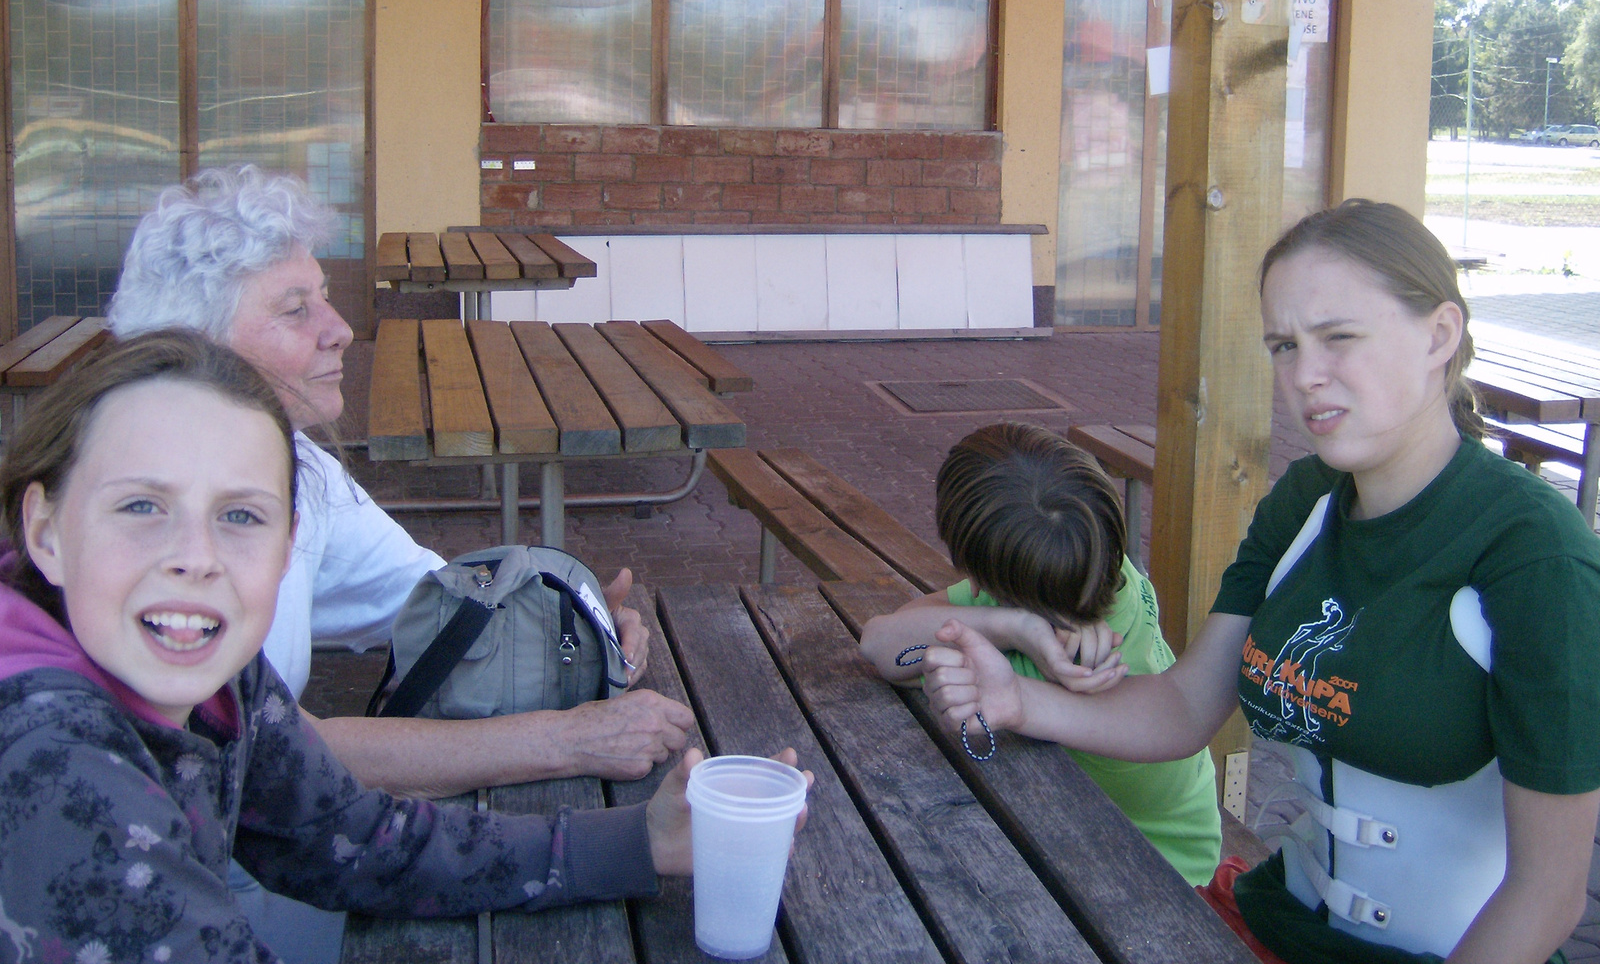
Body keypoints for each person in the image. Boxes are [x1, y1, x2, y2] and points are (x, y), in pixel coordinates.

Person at [917, 200, 1600, 964]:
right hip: (1273, 922)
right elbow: (1183, 707)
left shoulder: (1535, 556)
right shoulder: (1307, 503)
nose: (1305, 377)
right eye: (1284, 345)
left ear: (1440, 334)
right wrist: (1018, 699)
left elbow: (1549, 891)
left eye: (1339, 337)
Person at [0, 329, 808, 962]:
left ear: (288, 551)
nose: (196, 555)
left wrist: (637, 840)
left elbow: (349, 838)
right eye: (141, 506)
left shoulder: (209, 678)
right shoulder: (53, 763)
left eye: (241, 515)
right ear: (46, 530)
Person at [107, 166, 696, 960]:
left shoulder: (295, 470)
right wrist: (569, 738)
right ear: (196, 346)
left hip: (282, 865)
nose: (340, 326)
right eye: (295, 309)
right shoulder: (139, 551)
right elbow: (305, 762)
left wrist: (569, 618)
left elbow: (443, 609)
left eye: (323, 295)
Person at [858, 423, 1222, 885]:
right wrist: (1014, 627)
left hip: (1153, 870)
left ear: (975, 576)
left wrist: (1003, 630)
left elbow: (886, 649)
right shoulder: (1078, 567)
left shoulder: (1096, 662)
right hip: (1066, 827)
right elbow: (879, 641)